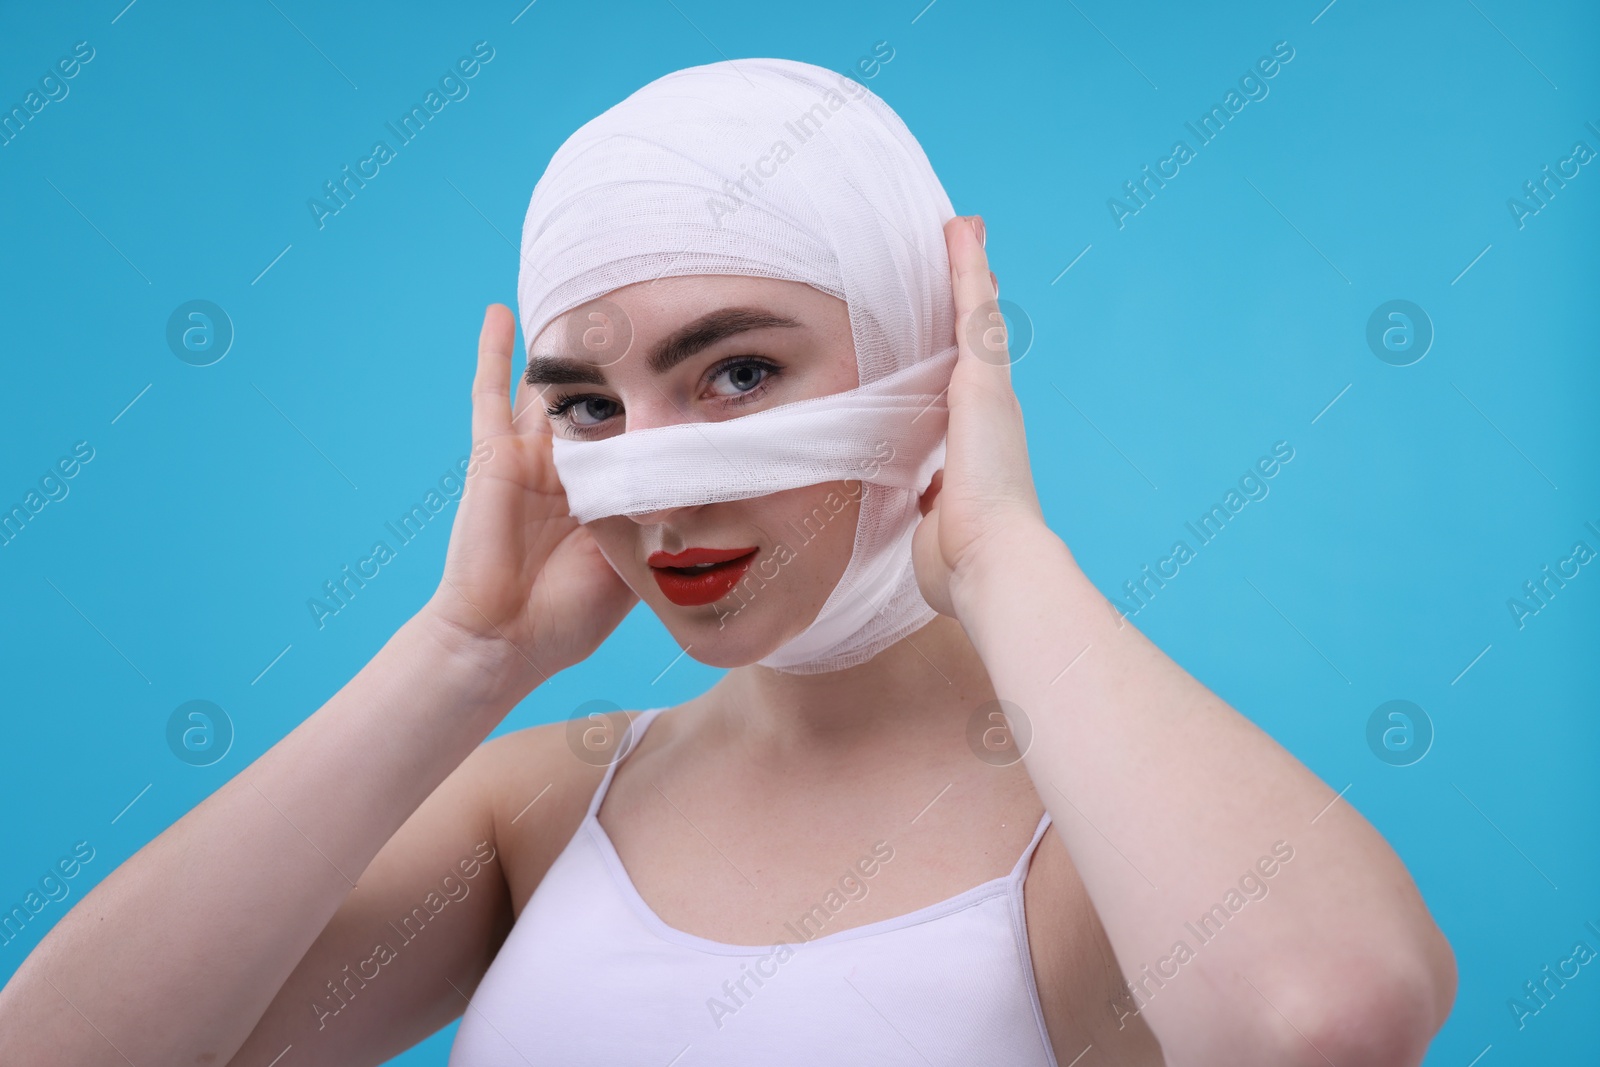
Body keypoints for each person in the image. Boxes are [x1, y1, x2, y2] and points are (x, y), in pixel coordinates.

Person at [0, 59, 1455, 1066]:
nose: (651, 476)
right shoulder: (540, 811)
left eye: (740, 375)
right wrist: (461, 660)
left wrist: (1003, 552)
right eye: (588, 406)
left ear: (923, 358)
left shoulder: (1104, 843)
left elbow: (1321, 1021)